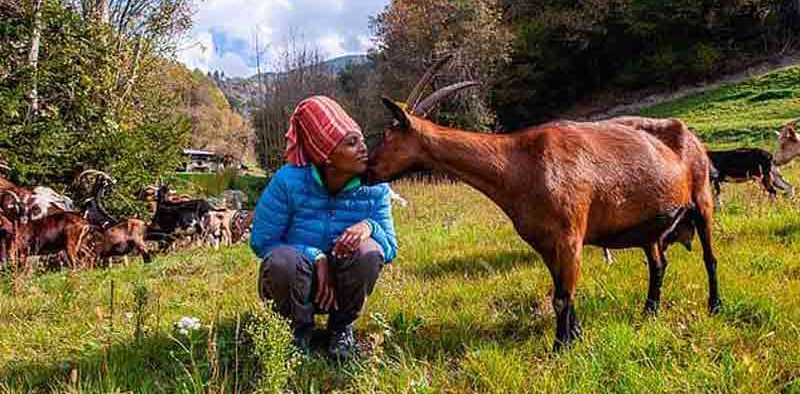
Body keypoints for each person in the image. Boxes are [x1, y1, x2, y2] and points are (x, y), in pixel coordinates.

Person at [250, 96, 398, 358]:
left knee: (369, 252)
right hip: (295, 282)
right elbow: (263, 242)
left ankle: (341, 328)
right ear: (326, 156)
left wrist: (369, 227)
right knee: (282, 260)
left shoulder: (375, 187)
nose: (364, 148)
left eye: (361, 139)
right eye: (351, 143)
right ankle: (295, 332)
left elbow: (390, 247)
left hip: (344, 285)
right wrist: (315, 256)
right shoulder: (288, 181)